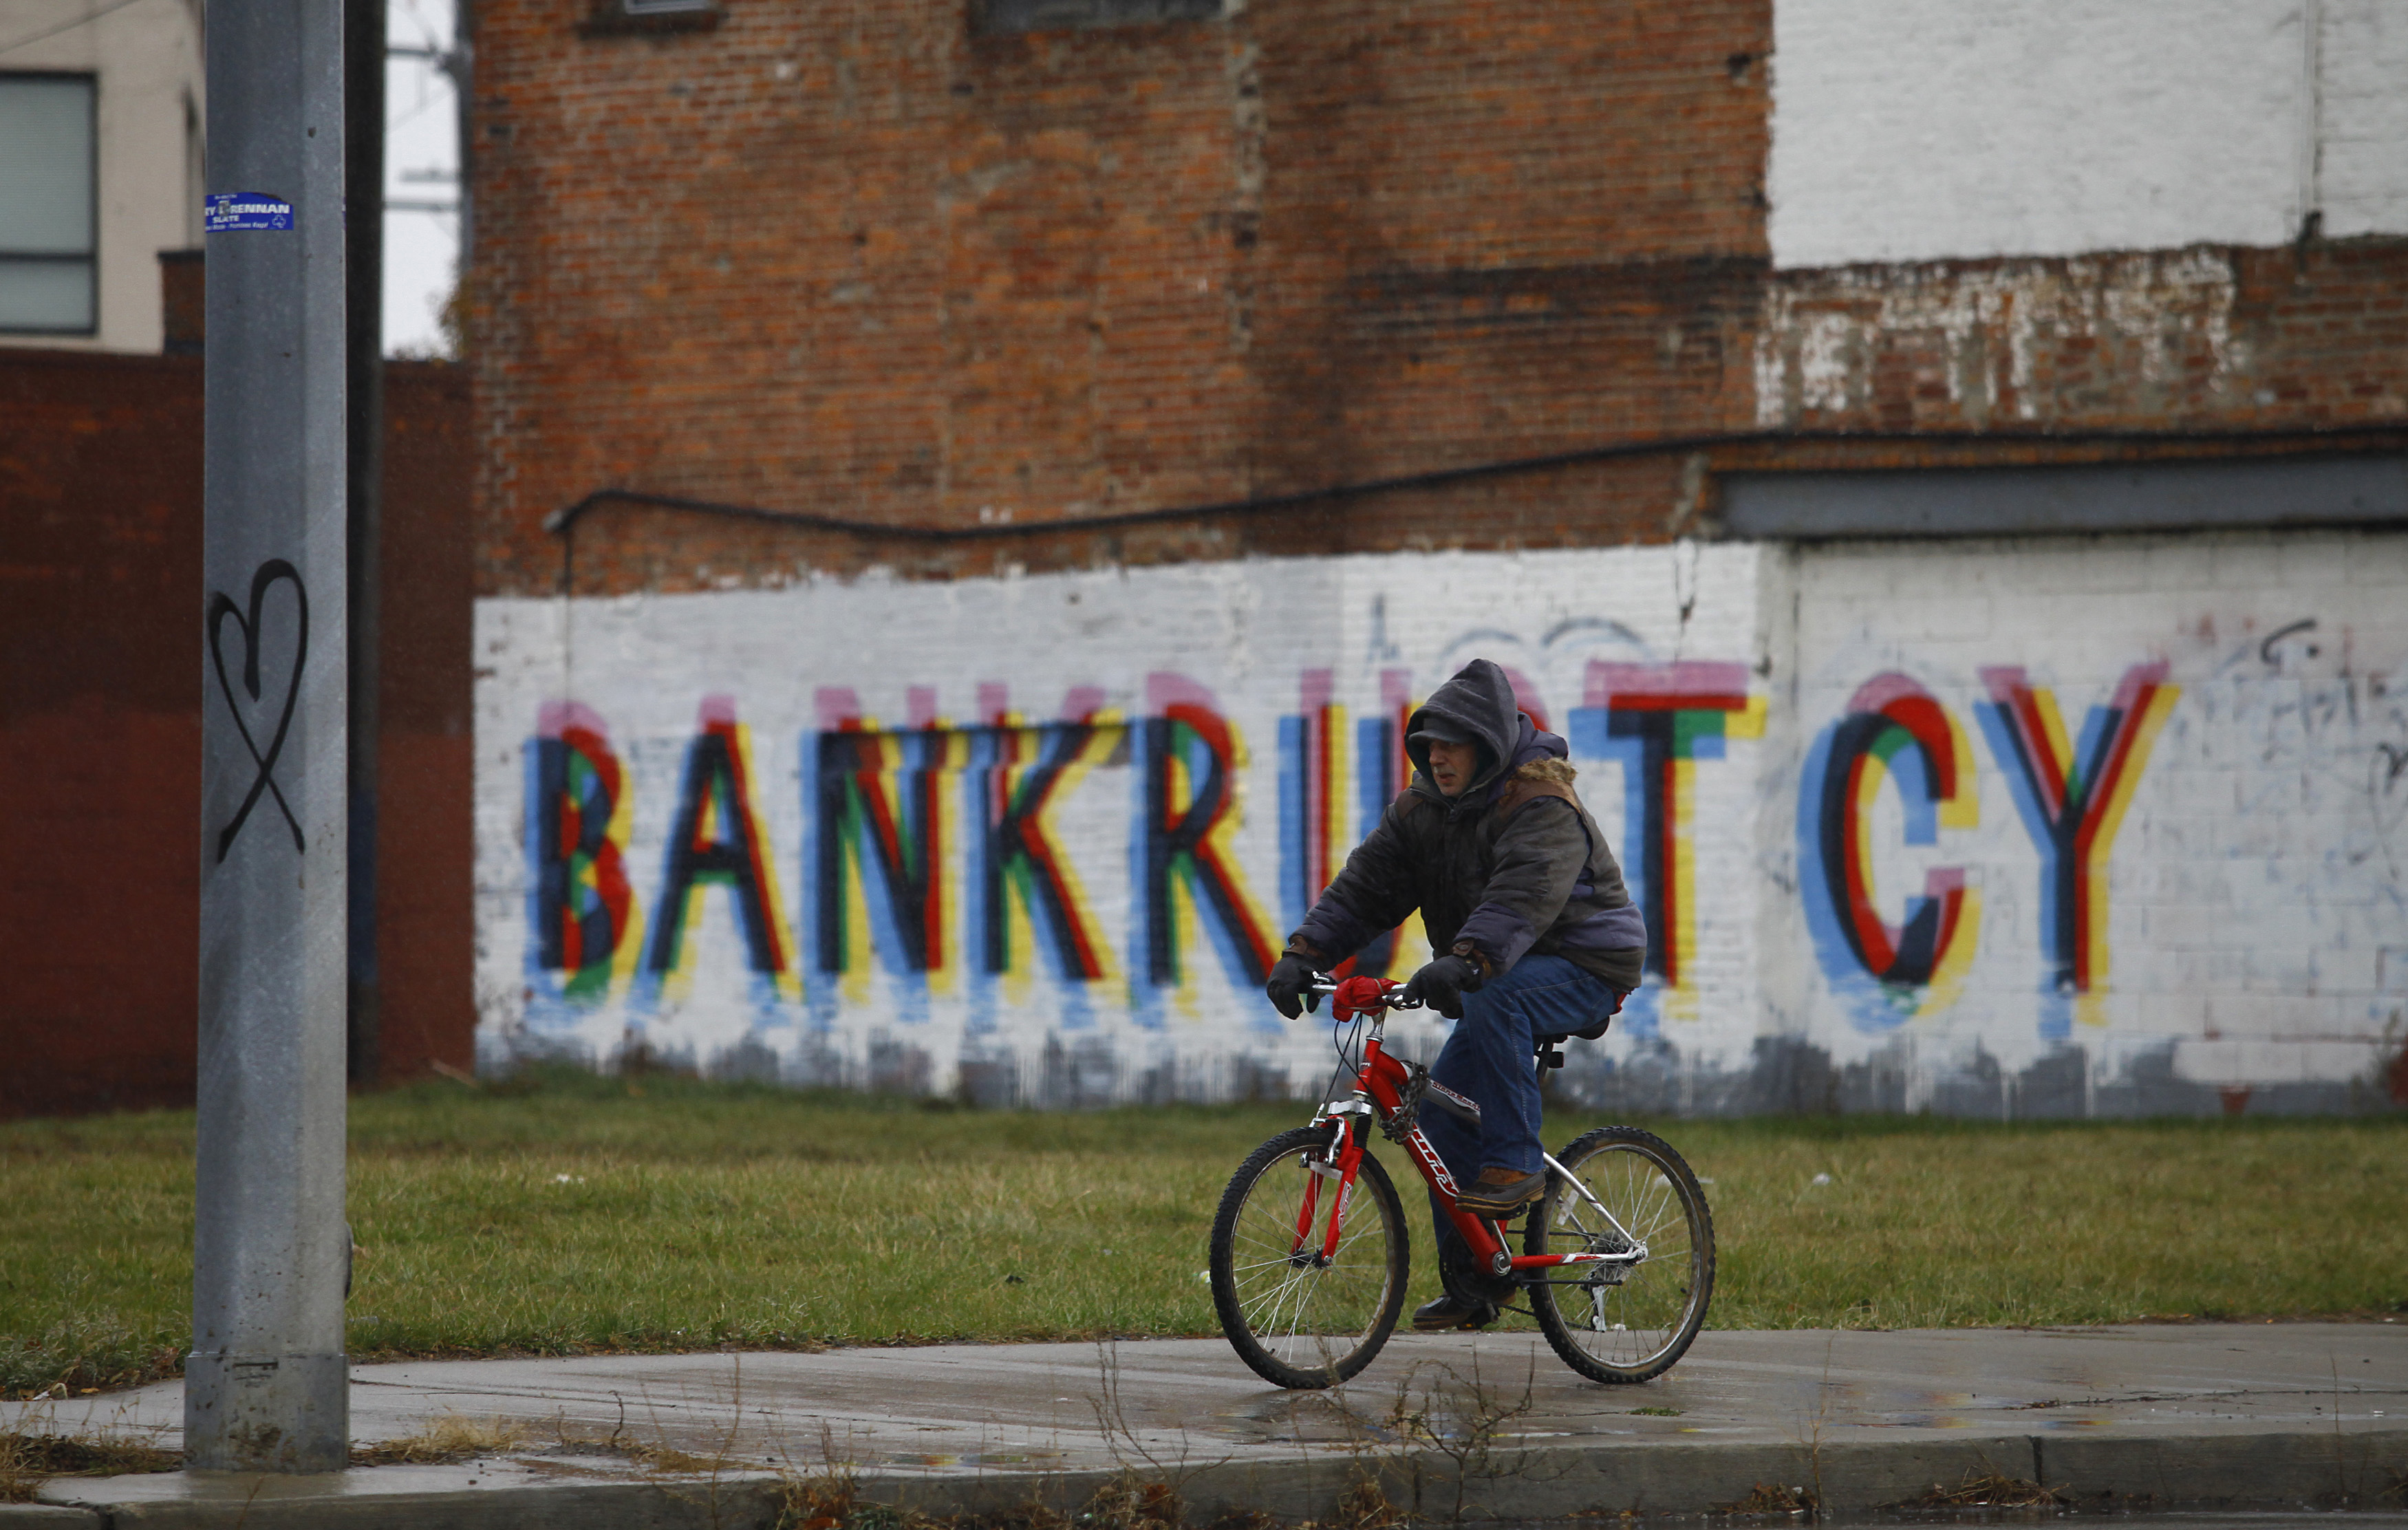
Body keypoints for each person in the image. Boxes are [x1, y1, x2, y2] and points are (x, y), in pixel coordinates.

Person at [1265, 658, 1646, 1331]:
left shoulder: (1539, 803)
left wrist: (1465, 959)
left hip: (1584, 962)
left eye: (1451, 744)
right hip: (1494, 967)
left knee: (1497, 997)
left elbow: (1520, 896)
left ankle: (1515, 1162)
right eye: (1427, 745)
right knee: (1437, 1118)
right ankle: (1477, 1284)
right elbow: (1366, 887)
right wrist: (1304, 954)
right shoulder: (1421, 812)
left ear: (1488, 745)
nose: (1436, 757)